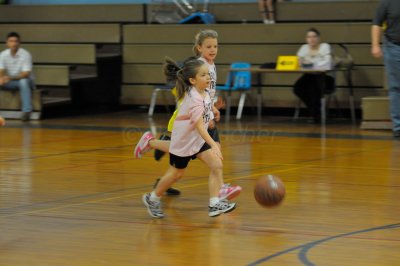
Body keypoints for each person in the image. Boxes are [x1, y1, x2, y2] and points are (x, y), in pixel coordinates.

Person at [142, 29, 240, 200]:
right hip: (191, 120)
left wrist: (212, 107)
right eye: (208, 46)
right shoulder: (199, 67)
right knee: (180, 165)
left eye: (215, 46)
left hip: (201, 117)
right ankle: (152, 145)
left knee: (209, 157)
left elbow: (206, 93)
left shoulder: (211, 65)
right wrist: (206, 112)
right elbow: (192, 97)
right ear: (199, 48)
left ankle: (220, 189)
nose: (213, 50)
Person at [371, 0, 400, 138]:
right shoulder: (387, 2)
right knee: (396, 87)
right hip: (393, 47)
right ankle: (398, 126)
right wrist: (375, 45)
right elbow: (376, 23)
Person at [293, 28, 334, 124]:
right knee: (297, 88)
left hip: (322, 76)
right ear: (306, 39)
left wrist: (309, 63)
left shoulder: (325, 46)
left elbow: (327, 63)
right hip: (308, 75)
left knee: (313, 89)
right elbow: (298, 62)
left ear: (319, 38)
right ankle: (315, 111)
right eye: (309, 37)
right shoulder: (304, 48)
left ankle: (315, 115)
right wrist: (312, 64)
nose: (312, 39)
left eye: (314, 36)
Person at [0, 32, 34, 121]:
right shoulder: (3, 54)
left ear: (19, 43)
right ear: (7, 43)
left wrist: (9, 78)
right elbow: (1, 69)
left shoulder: (25, 54)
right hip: (10, 81)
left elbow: (26, 74)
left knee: (23, 81)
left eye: (16, 41)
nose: (14, 43)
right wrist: (1, 78)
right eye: (11, 41)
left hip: (26, 81)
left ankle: (27, 112)